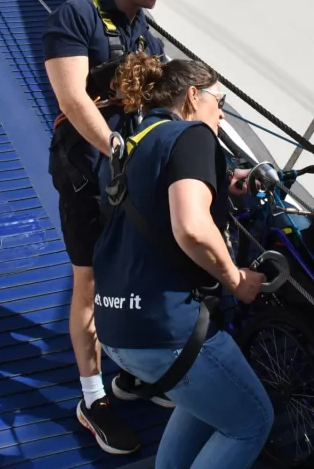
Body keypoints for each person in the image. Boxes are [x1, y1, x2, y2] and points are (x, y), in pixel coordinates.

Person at [93, 52, 274, 469]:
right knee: (250, 423)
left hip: (119, 328)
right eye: (220, 102)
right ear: (193, 96)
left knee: (198, 405)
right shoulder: (193, 135)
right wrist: (235, 278)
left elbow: (152, 208)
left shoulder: (132, 143)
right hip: (169, 329)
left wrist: (223, 189)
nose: (222, 117)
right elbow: (191, 227)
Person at [42, 0, 183, 453]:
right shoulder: (76, 16)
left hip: (128, 179)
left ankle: (132, 371)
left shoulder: (145, 33)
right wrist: (117, 150)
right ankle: (93, 397)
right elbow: (72, 97)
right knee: (89, 283)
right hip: (86, 175)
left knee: (134, 273)